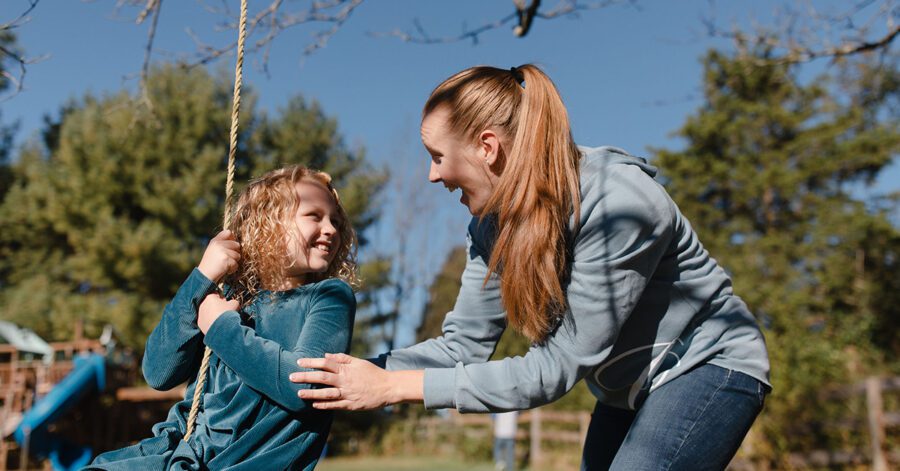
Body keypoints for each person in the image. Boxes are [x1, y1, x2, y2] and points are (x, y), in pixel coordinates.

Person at [289, 64, 771, 470]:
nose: (432, 174)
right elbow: (463, 345)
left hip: (707, 366)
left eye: (437, 157)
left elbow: (556, 368)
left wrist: (394, 387)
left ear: (487, 146)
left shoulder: (619, 203)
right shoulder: (490, 228)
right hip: (626, 391)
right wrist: (353, 374)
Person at [86, 165, 357, 470]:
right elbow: (158, 373)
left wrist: (221, 328)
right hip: (181, 453)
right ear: (269, 223)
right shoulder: (227, 298)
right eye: (314, 216)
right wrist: (200, 278)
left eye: (334, 220)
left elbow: (303, 388)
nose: (331, 229)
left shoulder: (329, 297)